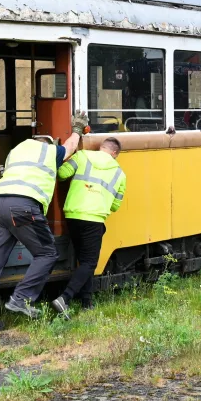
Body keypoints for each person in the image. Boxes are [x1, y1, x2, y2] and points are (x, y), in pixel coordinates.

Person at [0, 112, 87, 336]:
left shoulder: (15, 152)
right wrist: (77, 129)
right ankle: (21, 298)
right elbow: (70, 147)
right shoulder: (48, 151)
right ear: (47, 144)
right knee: (47, 254)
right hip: (23, 207)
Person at [50, 137, 126, 320]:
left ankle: (87, 302)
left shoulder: (82, 156)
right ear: (115, 153)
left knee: (84, 261)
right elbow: (115, 206)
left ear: (101, 148)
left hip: (73, 215)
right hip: (94, 219)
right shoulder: (119, 174)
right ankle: (64, 298)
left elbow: (62, 174)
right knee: (89, 262)